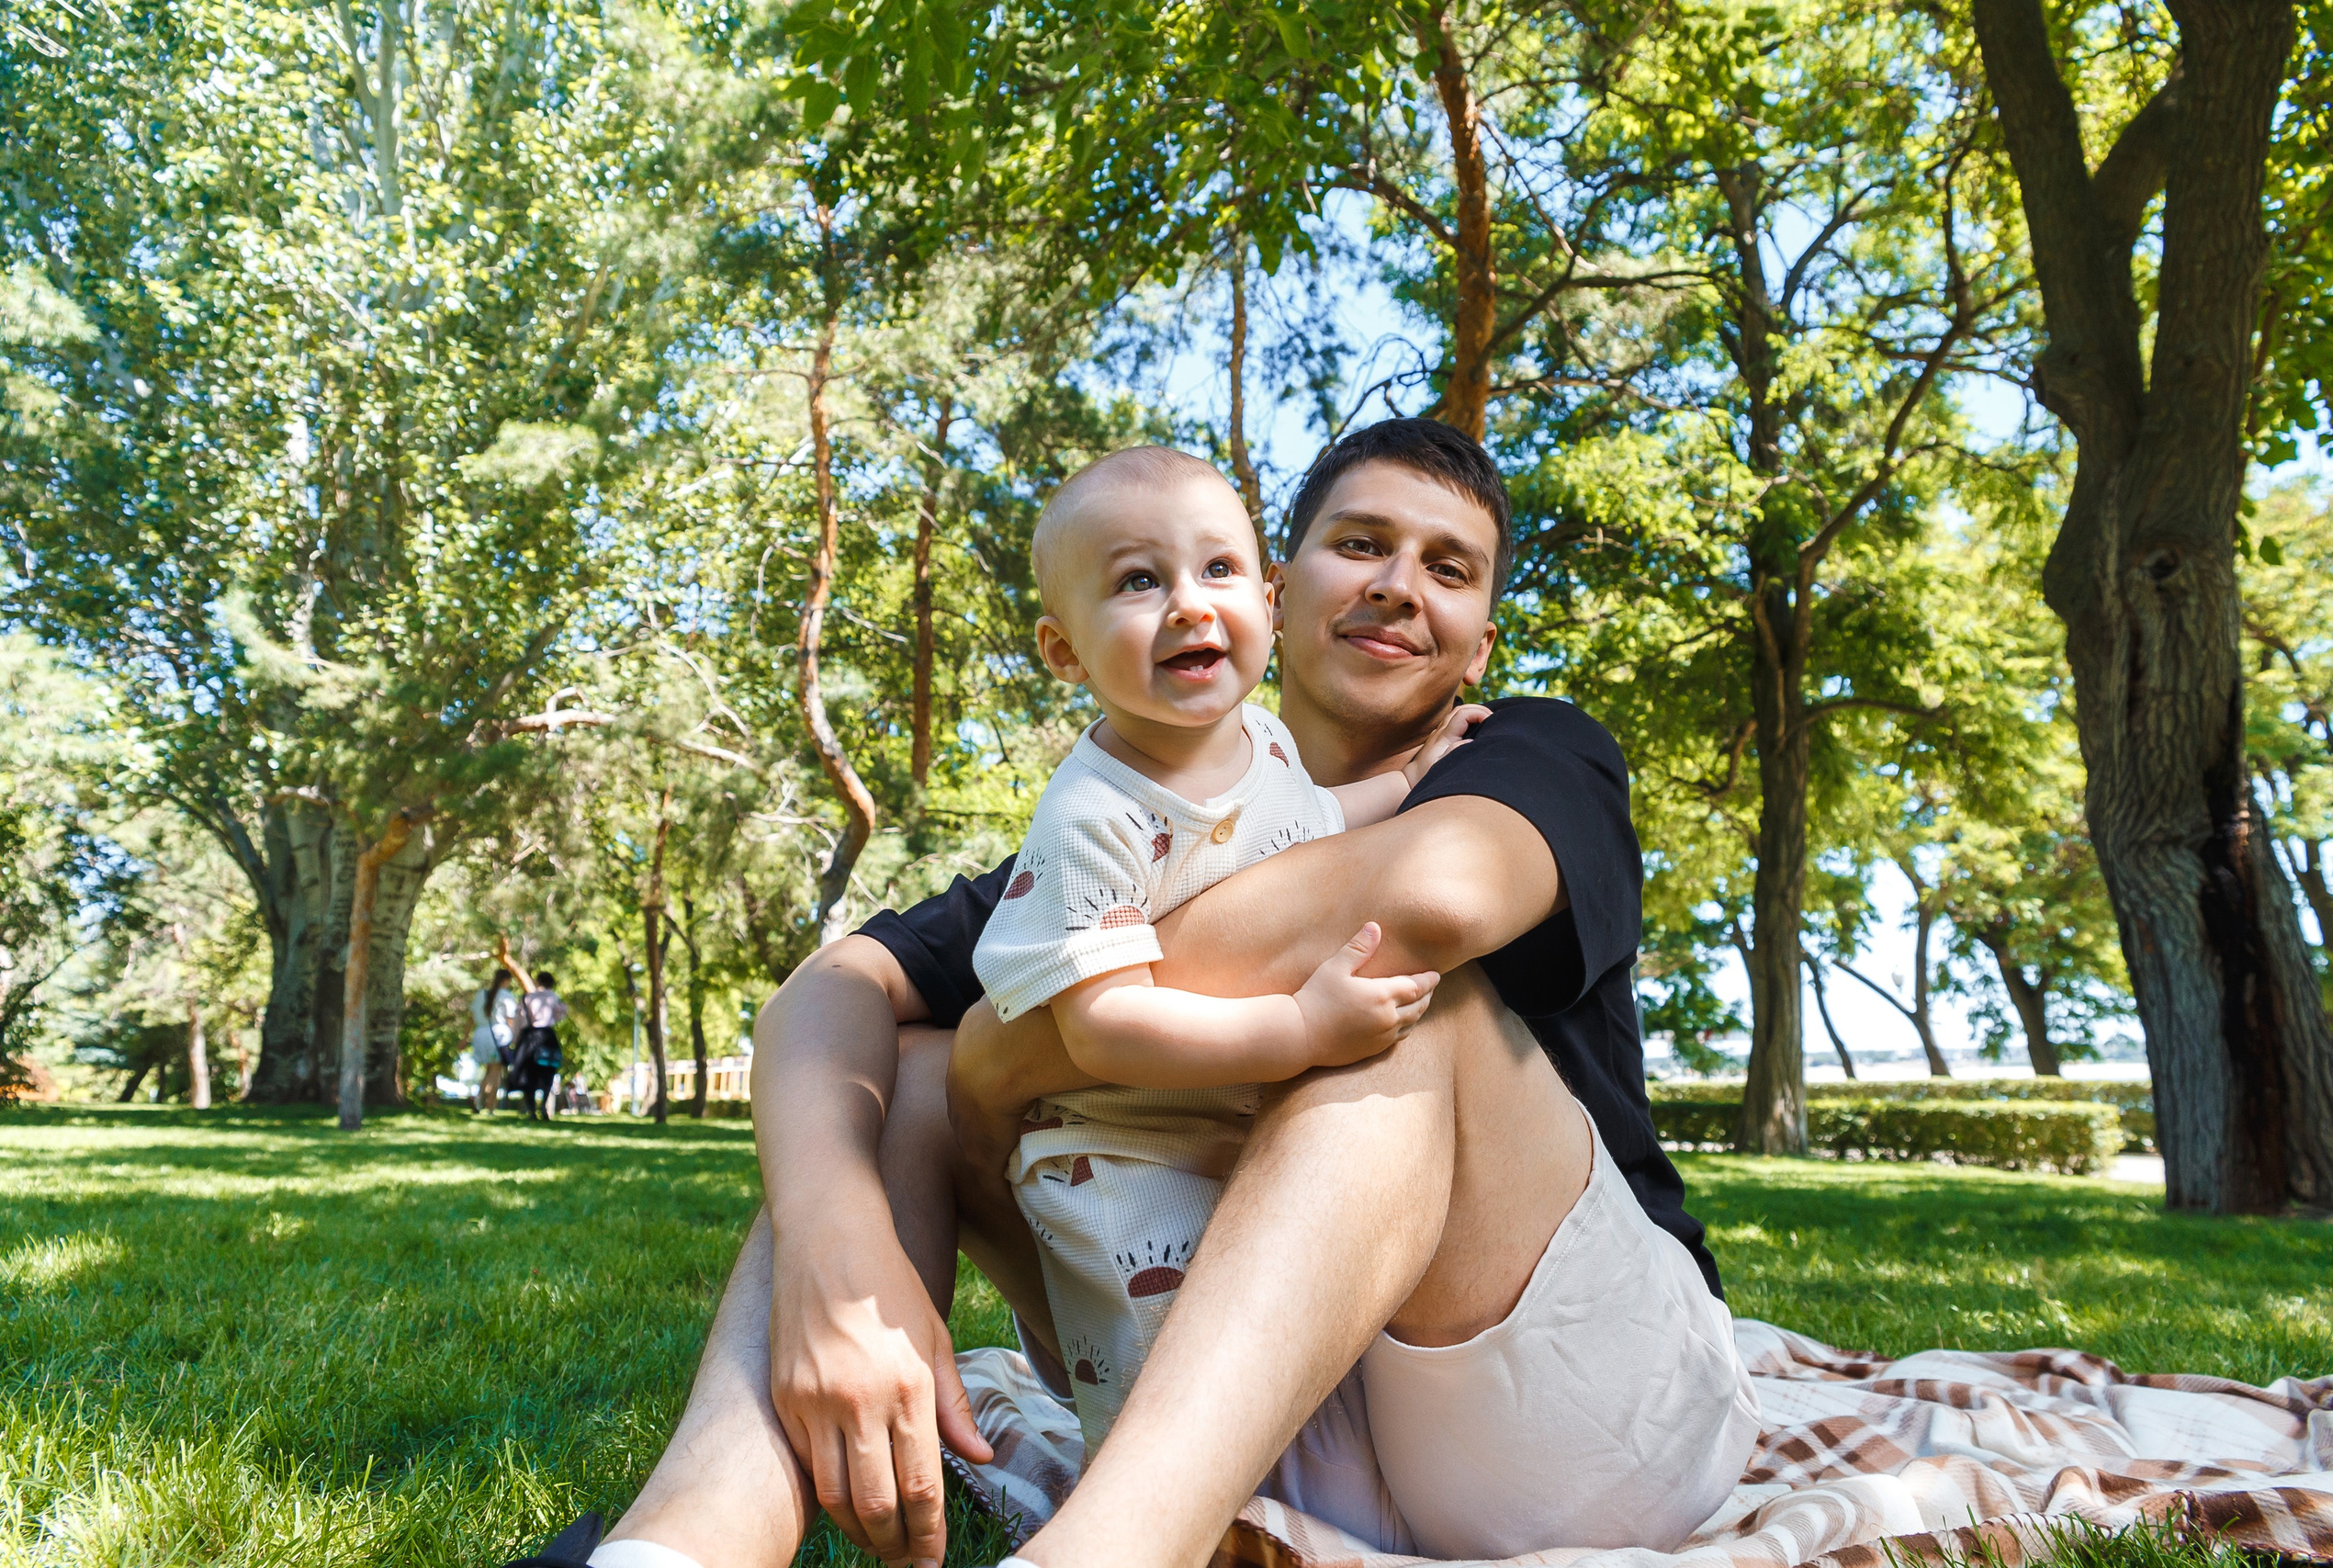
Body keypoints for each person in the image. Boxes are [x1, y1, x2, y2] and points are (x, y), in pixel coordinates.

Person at [526, 419, 1755, 1568]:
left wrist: (1011, 1052)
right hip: (1269, 1412)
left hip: (1570, 1409)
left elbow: (1428, 896)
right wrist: (839, 1247)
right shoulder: (1137, 817)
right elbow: (831, 988)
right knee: (897, 1071)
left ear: (1481, 638)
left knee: (1397, 1000)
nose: (1400, 584)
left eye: (1451, 566)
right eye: (1363, 543)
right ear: (1281, 587)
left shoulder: (1528, 751)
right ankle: (683, 1540)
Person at [962, 446, 1478, 1459]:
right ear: (1064, 653)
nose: (1190, 607)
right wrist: (1295, 1027)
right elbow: (1103, 1027)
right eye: (1139, 582)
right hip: (1122, 1164)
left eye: (1217, 572)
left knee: (1280, 1366)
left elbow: (1316, 820)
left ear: (1269, 599)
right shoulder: (1093, 816)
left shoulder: (1266, 743)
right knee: (1168, 1411)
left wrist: (1414, 780)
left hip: (1233, 1130)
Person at [514, 971, 568, 1122]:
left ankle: (531, 1109)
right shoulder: (554, 997)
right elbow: (560, 1014)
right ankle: (543, 1105)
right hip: (547, 1037)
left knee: (528, 1072)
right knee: (548, 1071)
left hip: (530, 1037)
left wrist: (516, 1039)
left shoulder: (527, 997)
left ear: (538, 981)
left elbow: (521, 1019)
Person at [469, 968, 521, 1112]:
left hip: (480, 1035)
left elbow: (471, 1018)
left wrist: (465, 1037)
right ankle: (489, 1106)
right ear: (506, 981)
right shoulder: (506, 996)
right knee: (496, 1072)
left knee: (489, 1070)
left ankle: (479, 1099)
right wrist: (514, 1038)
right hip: (498, 1036)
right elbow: (511, 1020)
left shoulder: (482, 994)